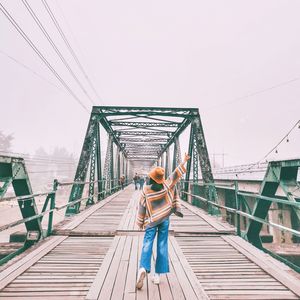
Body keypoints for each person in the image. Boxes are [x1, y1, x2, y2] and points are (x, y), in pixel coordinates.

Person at [136, 153, 190, 289]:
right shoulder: (166, 185)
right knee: (162, 245)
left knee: (147, 243)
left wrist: (140, 223)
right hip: (165, 219)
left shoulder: (146, 191)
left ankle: (143, 268)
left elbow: (142, 208)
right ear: (161, 179)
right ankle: (158, 275)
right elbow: (175, 174)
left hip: (152, 220)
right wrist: (184, 161)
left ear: (151, 178)